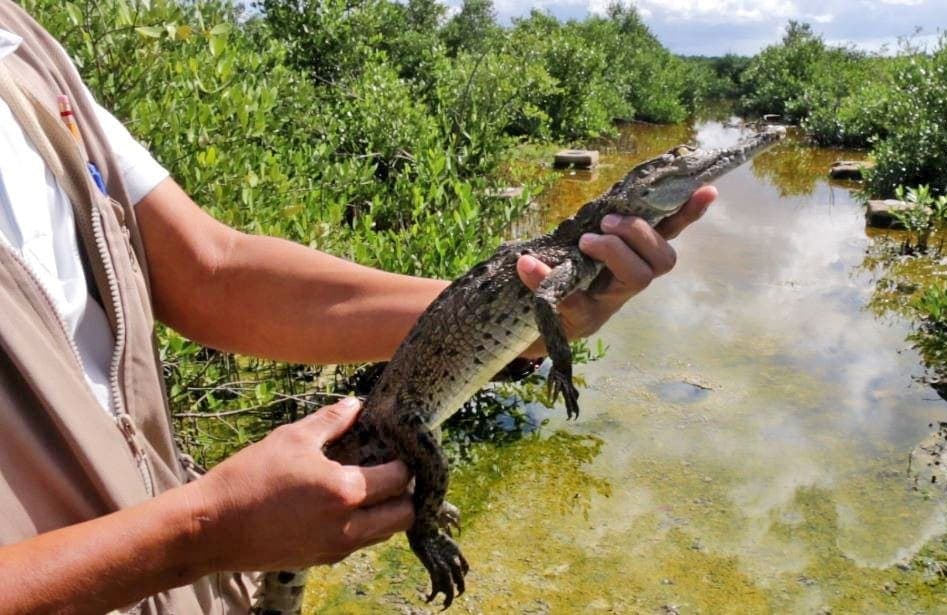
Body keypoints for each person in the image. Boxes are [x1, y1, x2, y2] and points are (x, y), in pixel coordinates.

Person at [0, 3, 717, 614]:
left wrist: (523, 331)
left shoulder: (26, 53)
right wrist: (202, 532)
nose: (700, 168)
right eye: (677, 164)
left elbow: (213, 270)